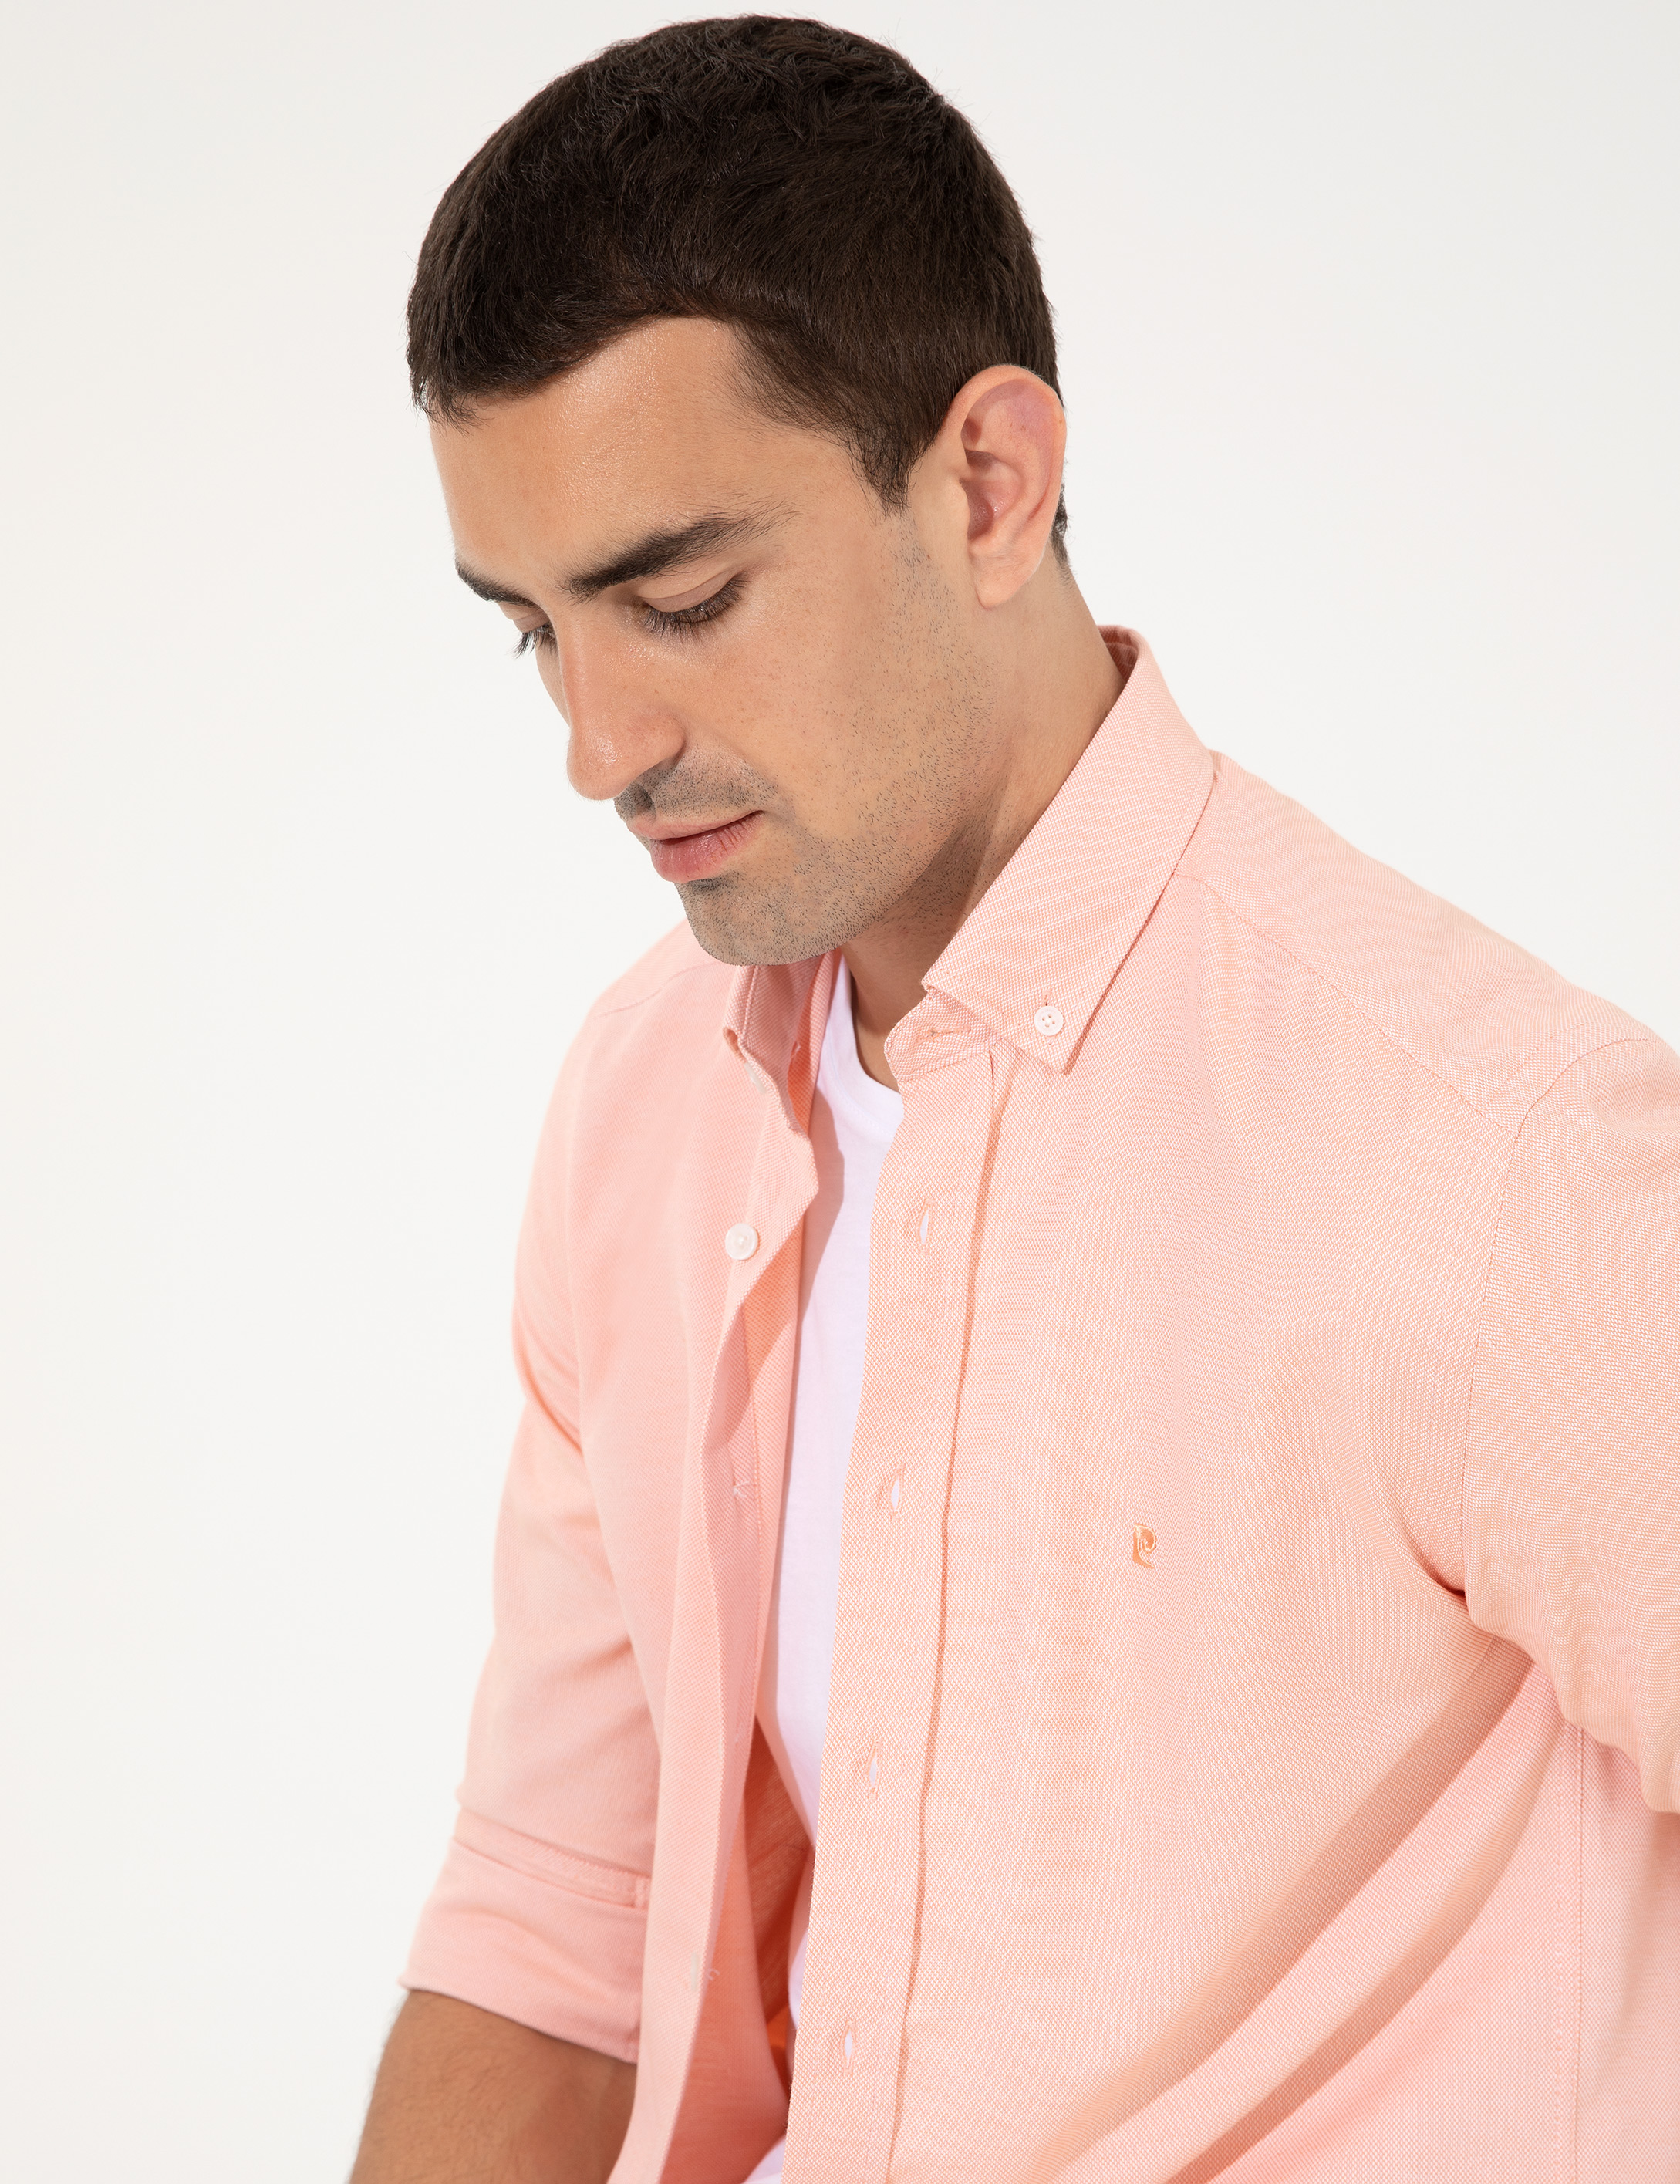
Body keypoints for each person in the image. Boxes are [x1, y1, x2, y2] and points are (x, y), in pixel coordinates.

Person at [350, 17, 1680, 2183]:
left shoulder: (1504, 1163)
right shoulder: (640, 1116)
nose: (600, 747)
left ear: (986, 483)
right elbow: (560, 1941)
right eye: (536, 632)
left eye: (680, 600)